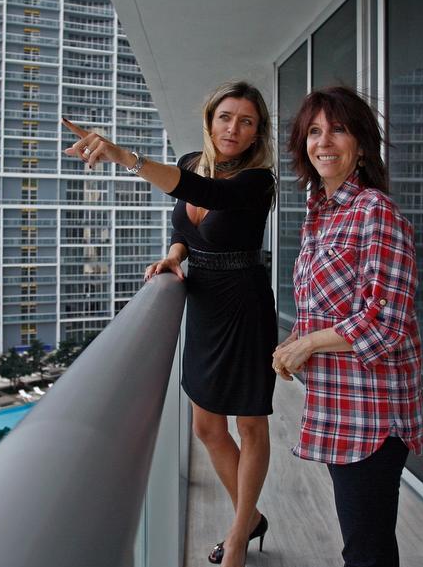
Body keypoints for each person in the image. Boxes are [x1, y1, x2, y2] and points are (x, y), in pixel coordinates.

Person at [62, 81, 277, 567]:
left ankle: (239, 536)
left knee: (250, 422)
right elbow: (184, 226)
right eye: (226, 116)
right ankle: (253, 517)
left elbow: (205, 195)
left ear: (255, 132)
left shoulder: (258, 179)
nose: (233, 128)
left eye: (246, 121)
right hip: (202, 304)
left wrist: (123, 156)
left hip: (244, 307)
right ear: (210, 118)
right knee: (206, 427)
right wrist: (175, 254)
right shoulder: (186, 162)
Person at [272, 85, 423, 567]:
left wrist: (311, 343)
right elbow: (325, 307)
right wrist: (296, 339)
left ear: (360, 142)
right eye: (314, 131)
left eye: (338, 129)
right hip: (339, 408)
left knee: (367, 550)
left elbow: (386, 322)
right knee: (362, 543)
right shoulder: (319, 218)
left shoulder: (375, 211)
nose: (324, 142)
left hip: (373, 413)